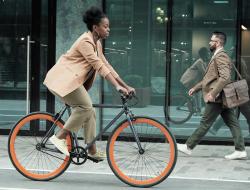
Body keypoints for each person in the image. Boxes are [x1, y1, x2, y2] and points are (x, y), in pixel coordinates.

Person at [43, 6, 135, 160]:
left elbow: (107, 66)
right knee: (85, 107)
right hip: (63, 81)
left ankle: (91, 150)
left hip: (72, 82)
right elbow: (98, 66)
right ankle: (59, 137)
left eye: (108, 27)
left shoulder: (96, 43)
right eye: (105, 26)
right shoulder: (85, 41)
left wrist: (125, 85)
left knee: (90, 111)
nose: (108, 30)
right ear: (95, 27)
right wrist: (117, 86)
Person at [177, 31, 247, 160]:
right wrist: (195, 88)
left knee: (205, 122)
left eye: (212, 40)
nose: (209, 42)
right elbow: (210, 78)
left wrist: (212, 93)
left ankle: (188, 147)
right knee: (232, 122)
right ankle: (240, 149)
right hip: (222, 96)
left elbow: (225, 78)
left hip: (217, 97)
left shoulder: (221, 56)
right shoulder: (216, 56)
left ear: (218, 43)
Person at [209, 48, 250, 137]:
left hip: (237, 87)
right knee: (241, 109)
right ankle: (215, 128)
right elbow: (244, 74)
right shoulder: (239, 61)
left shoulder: (234, 62)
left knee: (236, 109)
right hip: (240, 87)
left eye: (231, 51)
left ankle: (215, 128)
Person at [180, 47, 209, 113]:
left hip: (194, 81)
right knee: (198, 94)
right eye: (208, 53)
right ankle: (198, 110)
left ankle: (190, 104)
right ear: (204, 54)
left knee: (196, 94)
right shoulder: (199, 61)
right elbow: (204, 73)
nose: (209, 54)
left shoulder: (203, 62)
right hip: (190, 80)